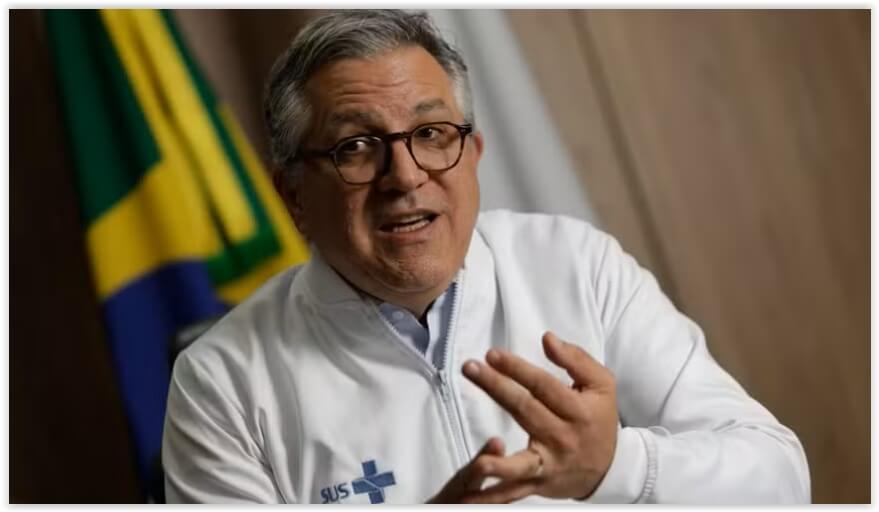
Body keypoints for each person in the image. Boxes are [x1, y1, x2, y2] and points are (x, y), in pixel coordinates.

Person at [162, 10, 810, 504]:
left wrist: (614, 467)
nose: (405, 176)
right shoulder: (222, 382)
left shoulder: (574, 263)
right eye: (356, 146)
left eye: (430, 134)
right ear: (293, 196)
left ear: (472, 155)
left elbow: (780, 478)